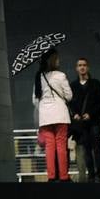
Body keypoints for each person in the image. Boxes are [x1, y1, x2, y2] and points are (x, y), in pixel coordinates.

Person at [33, 48, 71, 182]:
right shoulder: (60, 76)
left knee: (49, 146)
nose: (59, 60)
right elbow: (69, 96)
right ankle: (64, 176)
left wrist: (44, 107)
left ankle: (51, 176)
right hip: (60, 114)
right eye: (57, 57)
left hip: (45, 117)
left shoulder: (39, 77)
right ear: (52, 59)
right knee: (61, 144)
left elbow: (35, 100)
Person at [69, 56, 100, 183]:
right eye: (79, 65)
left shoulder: (96, 83)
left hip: (94, 121)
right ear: (76, 68)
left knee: (97, 148)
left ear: (87, 67)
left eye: (84, 65)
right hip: (82, 123)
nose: (82, 67)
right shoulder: (73, 85)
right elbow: (71, 103)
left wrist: (91, 114)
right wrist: (76, 114)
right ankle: (91, 175)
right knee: (86, 149)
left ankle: (99, 175)